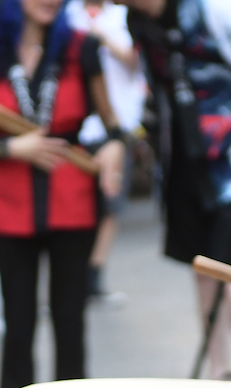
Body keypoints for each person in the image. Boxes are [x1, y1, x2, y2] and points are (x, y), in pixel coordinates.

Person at [0, 0, 125, 388]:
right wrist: (10, 148)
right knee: (18, 323)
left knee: (70, 319)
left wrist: (113, 148)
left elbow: (111, 123)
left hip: (73, 200)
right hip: (10, 205)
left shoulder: (81, 48)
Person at [123, 0, 231, 379]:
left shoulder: (218, 11)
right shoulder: (137, 20)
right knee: (202, 268)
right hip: (186, 159)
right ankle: (220, 373)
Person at [65, 0, 145, 301]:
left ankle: (93, 276)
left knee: (110, 203)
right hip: (78, 129)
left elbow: (135, 61)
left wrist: (100, 38)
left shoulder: (124, 16)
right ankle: (72, 277)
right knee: (76, 204)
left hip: (115, 126)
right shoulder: (65, 12)